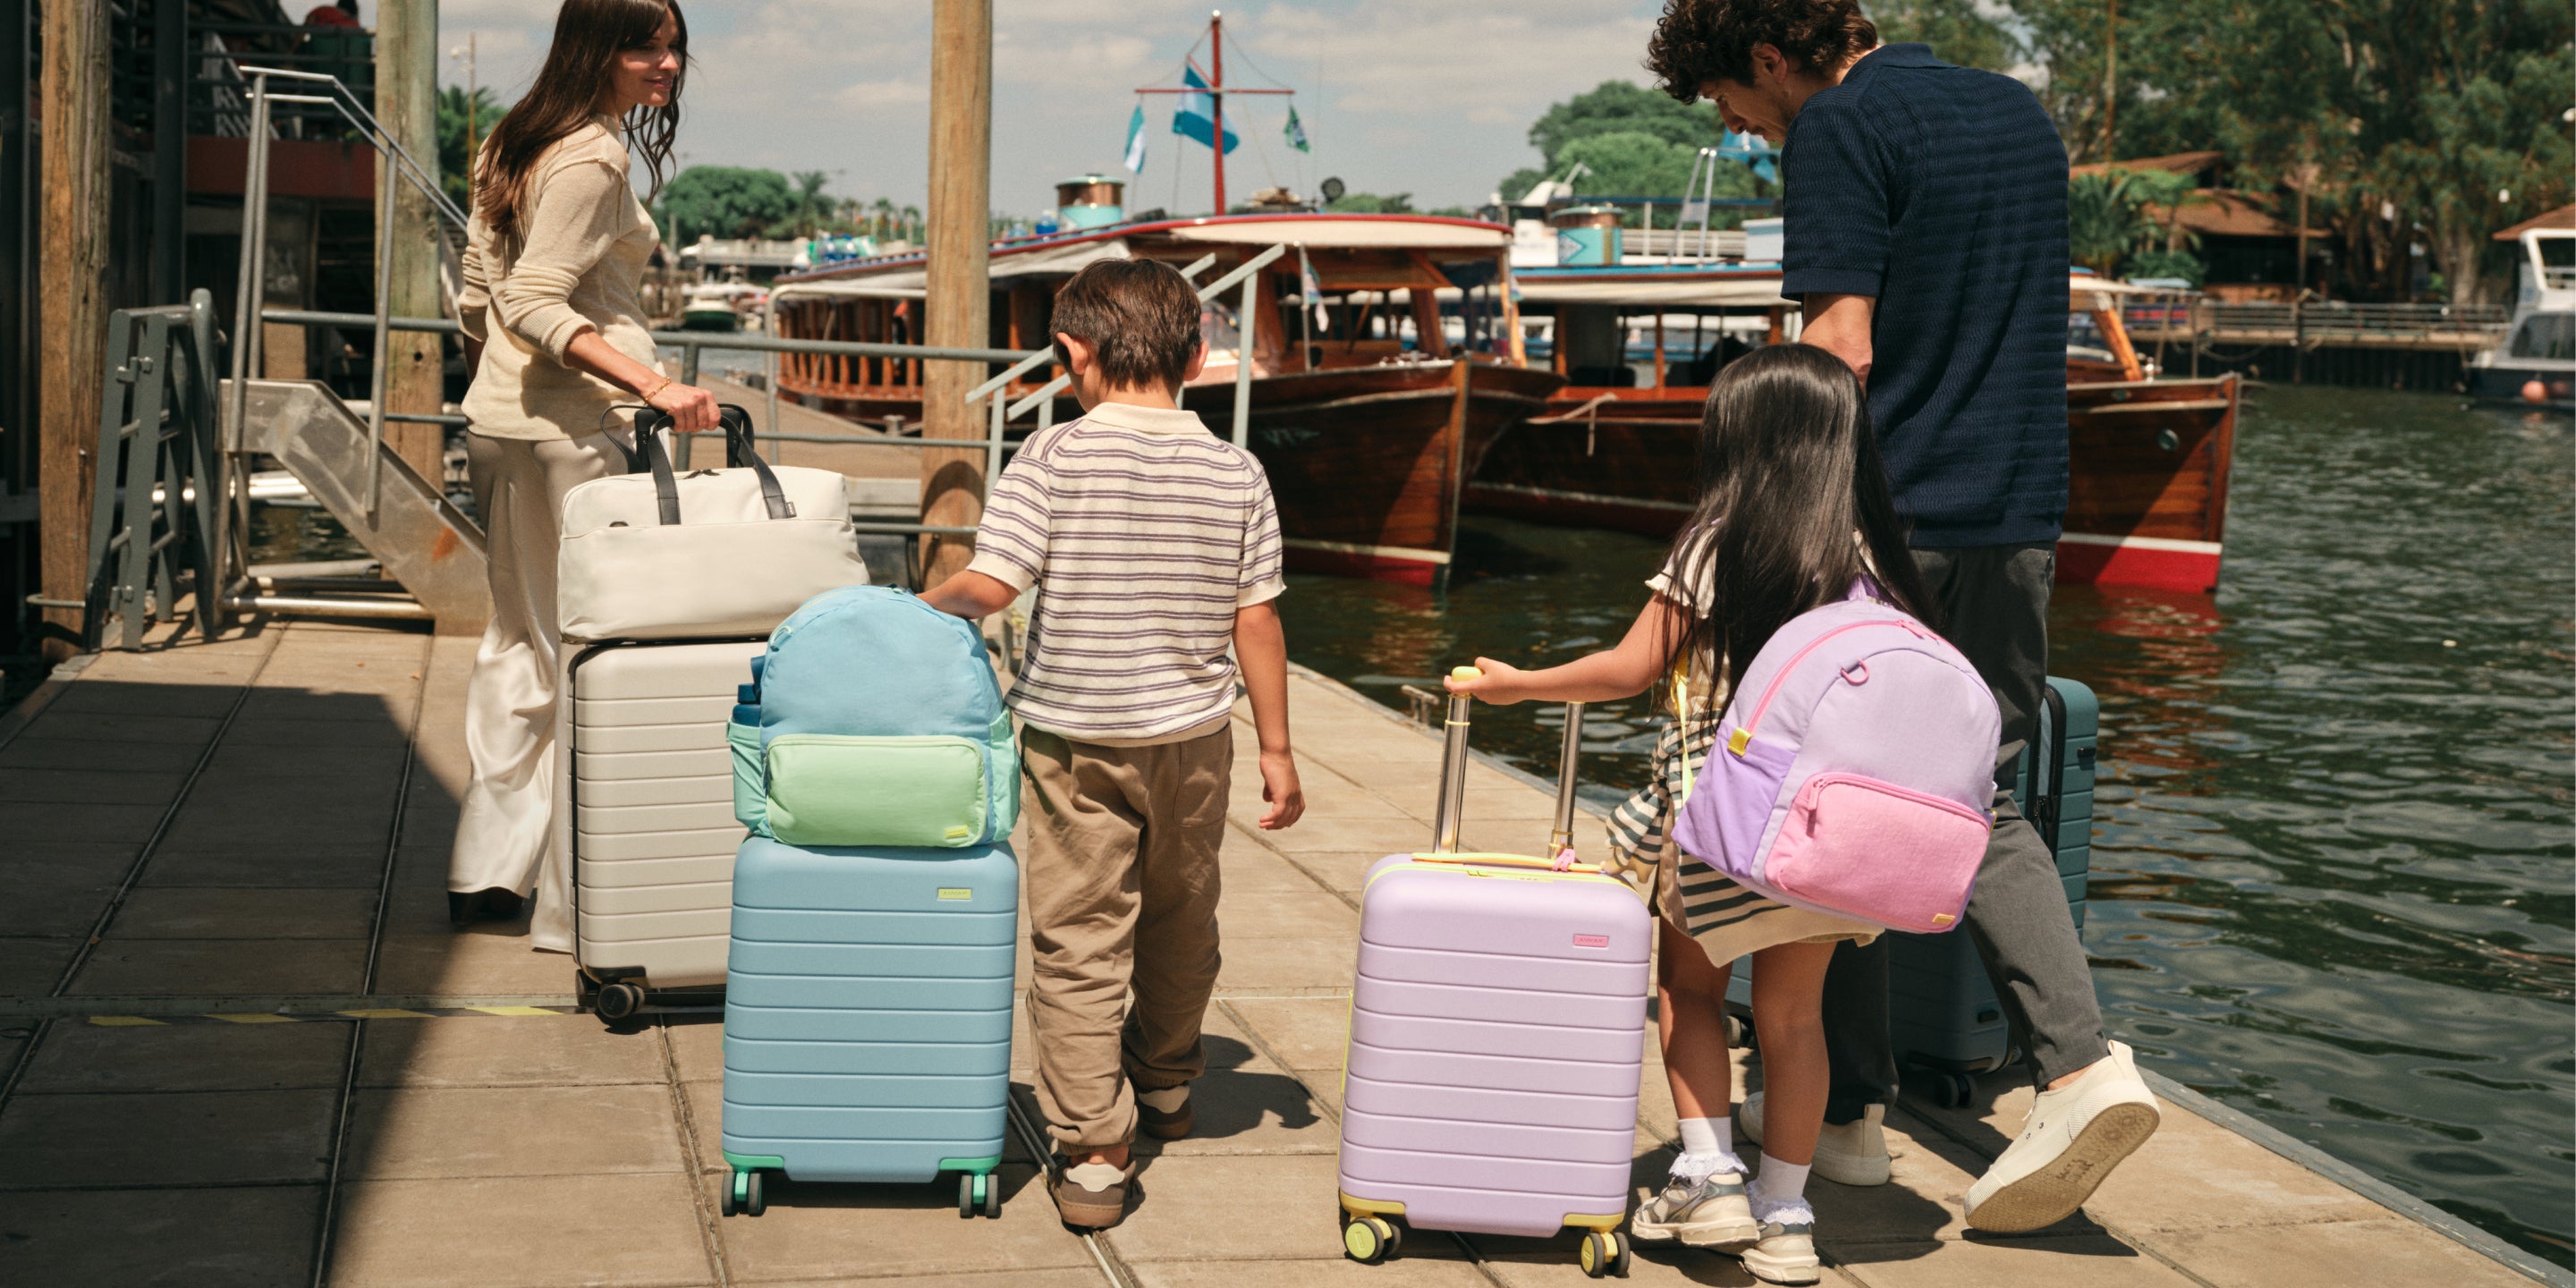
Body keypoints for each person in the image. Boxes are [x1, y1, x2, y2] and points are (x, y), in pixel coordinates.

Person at [1644, 0, 2161, 1233]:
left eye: (1734, 106)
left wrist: (1759, 499)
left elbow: (1841, 346)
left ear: (1771, 58)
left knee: (1831, 803)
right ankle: (1898, 1104)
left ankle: (2014, 1080)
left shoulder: (1841, 125)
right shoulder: (2016, 113)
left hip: (1887, 515)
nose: (1748, 131)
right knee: (1961, 781)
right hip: (2020, 510)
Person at [1449, 346, 1932, 1286]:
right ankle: (1787, 1218)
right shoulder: (1871, 561)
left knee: (1693, 996)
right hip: (1824, 835)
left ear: (1742, 440)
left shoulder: (1715, 544)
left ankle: (1709, 1177)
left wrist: (1519, 686)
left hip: (1722, 824)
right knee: (1795, 1022)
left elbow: (1631, 671)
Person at [919, 258, 1307, 1229]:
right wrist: (1278, 750)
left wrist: (889, 613)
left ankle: (1095, 1148)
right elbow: (1255, 618)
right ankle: (1168, 1085)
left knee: (1079, 937)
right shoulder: (1236, 468)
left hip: (1071, 740)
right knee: (1182, 917)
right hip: (1193, 738)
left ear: (1073, 354)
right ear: (1197, 352)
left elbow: (990, 586)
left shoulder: (1050, 458)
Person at [447, 0, 719, 944]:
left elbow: (477, 299)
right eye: (645, 44)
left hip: (499, 426)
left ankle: (489, 867)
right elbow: (532, 298)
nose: (668, 63)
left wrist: (504, 383)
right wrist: (654, 383)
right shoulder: (595, 154)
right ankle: (577, 896)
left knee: (518, 639)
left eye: (674, 44)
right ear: (595, 48)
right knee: (596, 651)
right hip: (586, 432)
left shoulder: (513, 138)